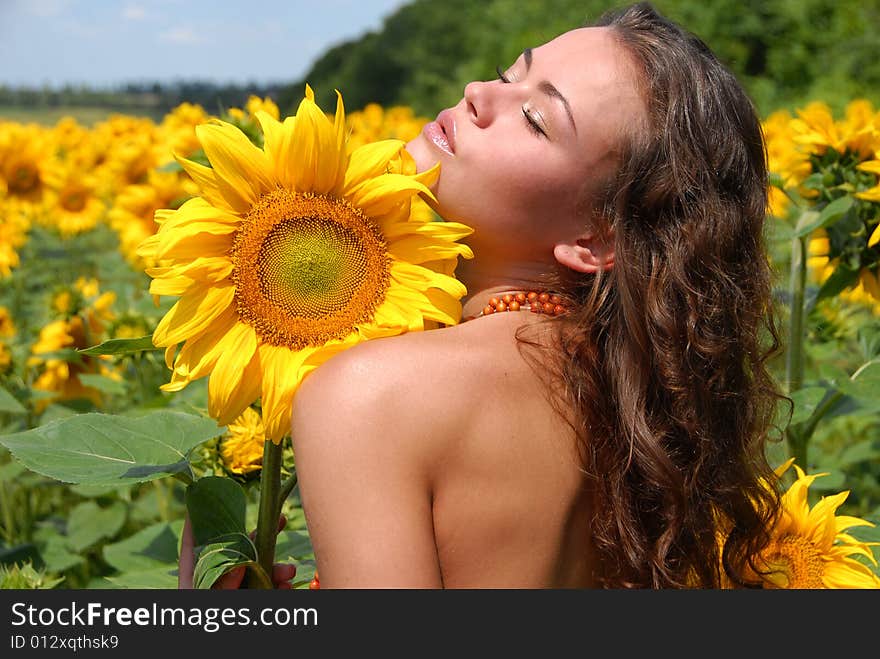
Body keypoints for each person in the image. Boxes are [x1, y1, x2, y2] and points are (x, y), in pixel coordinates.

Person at [181, 1, 784, 589]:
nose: (477, 92)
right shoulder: (630, 407)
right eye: (508, 75)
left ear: (597, 237)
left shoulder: (372, 394)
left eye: (537, 119)